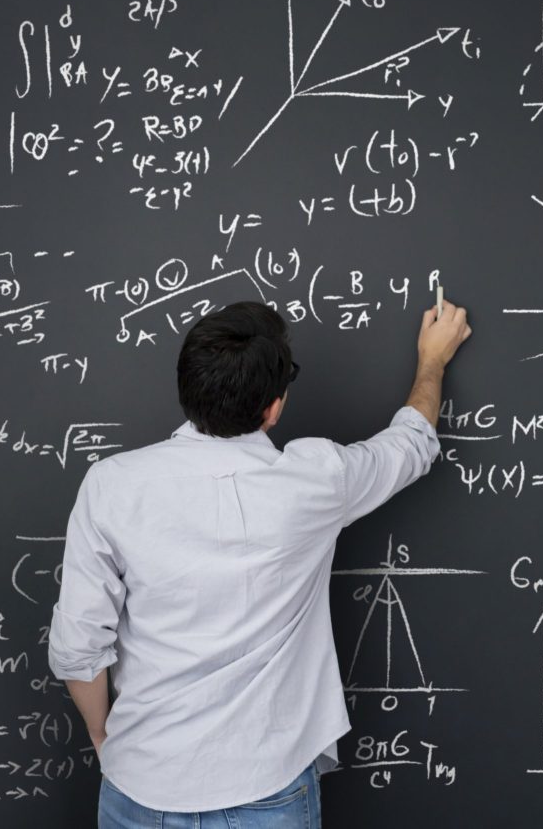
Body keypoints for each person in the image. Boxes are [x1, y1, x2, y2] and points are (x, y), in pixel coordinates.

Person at [47, 298, 471, 827]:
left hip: (141, 783)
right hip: (268, 787)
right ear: (273, 407)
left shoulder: (111, 485)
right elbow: (410, 445)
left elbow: (79, 644)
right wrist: (432, 361)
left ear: (186, 391)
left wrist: (103, 737)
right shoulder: (318, 479)